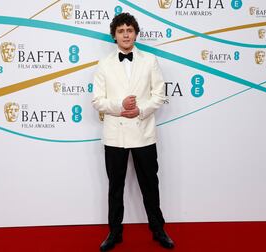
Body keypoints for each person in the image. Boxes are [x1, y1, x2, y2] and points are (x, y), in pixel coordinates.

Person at [92, 12, 174, 251]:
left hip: (143, 133)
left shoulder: (150, 61)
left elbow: (159, 96)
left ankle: (158, 229)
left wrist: (139, 110)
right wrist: (120, 107)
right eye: (121, 31)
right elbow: (97, 100)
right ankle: (114, 233)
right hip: (114, 136)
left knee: (150, 185)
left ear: (136, 34)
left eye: (129, 30)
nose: (126, 34)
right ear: (114, 36)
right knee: (115, 187)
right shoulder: (104, 64)